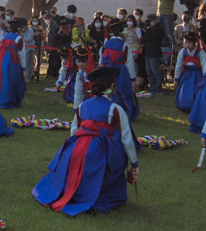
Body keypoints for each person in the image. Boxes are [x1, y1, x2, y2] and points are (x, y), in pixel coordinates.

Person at [31, 66, 140, 216]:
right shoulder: (115, 109)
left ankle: (69, 192)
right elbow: (126, 139)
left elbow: (74, 131)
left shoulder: (82, 106)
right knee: (113, 161)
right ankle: (97, 196)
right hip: (101, 150)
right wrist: (134, 164)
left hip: (76, 147)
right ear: (112, 87)